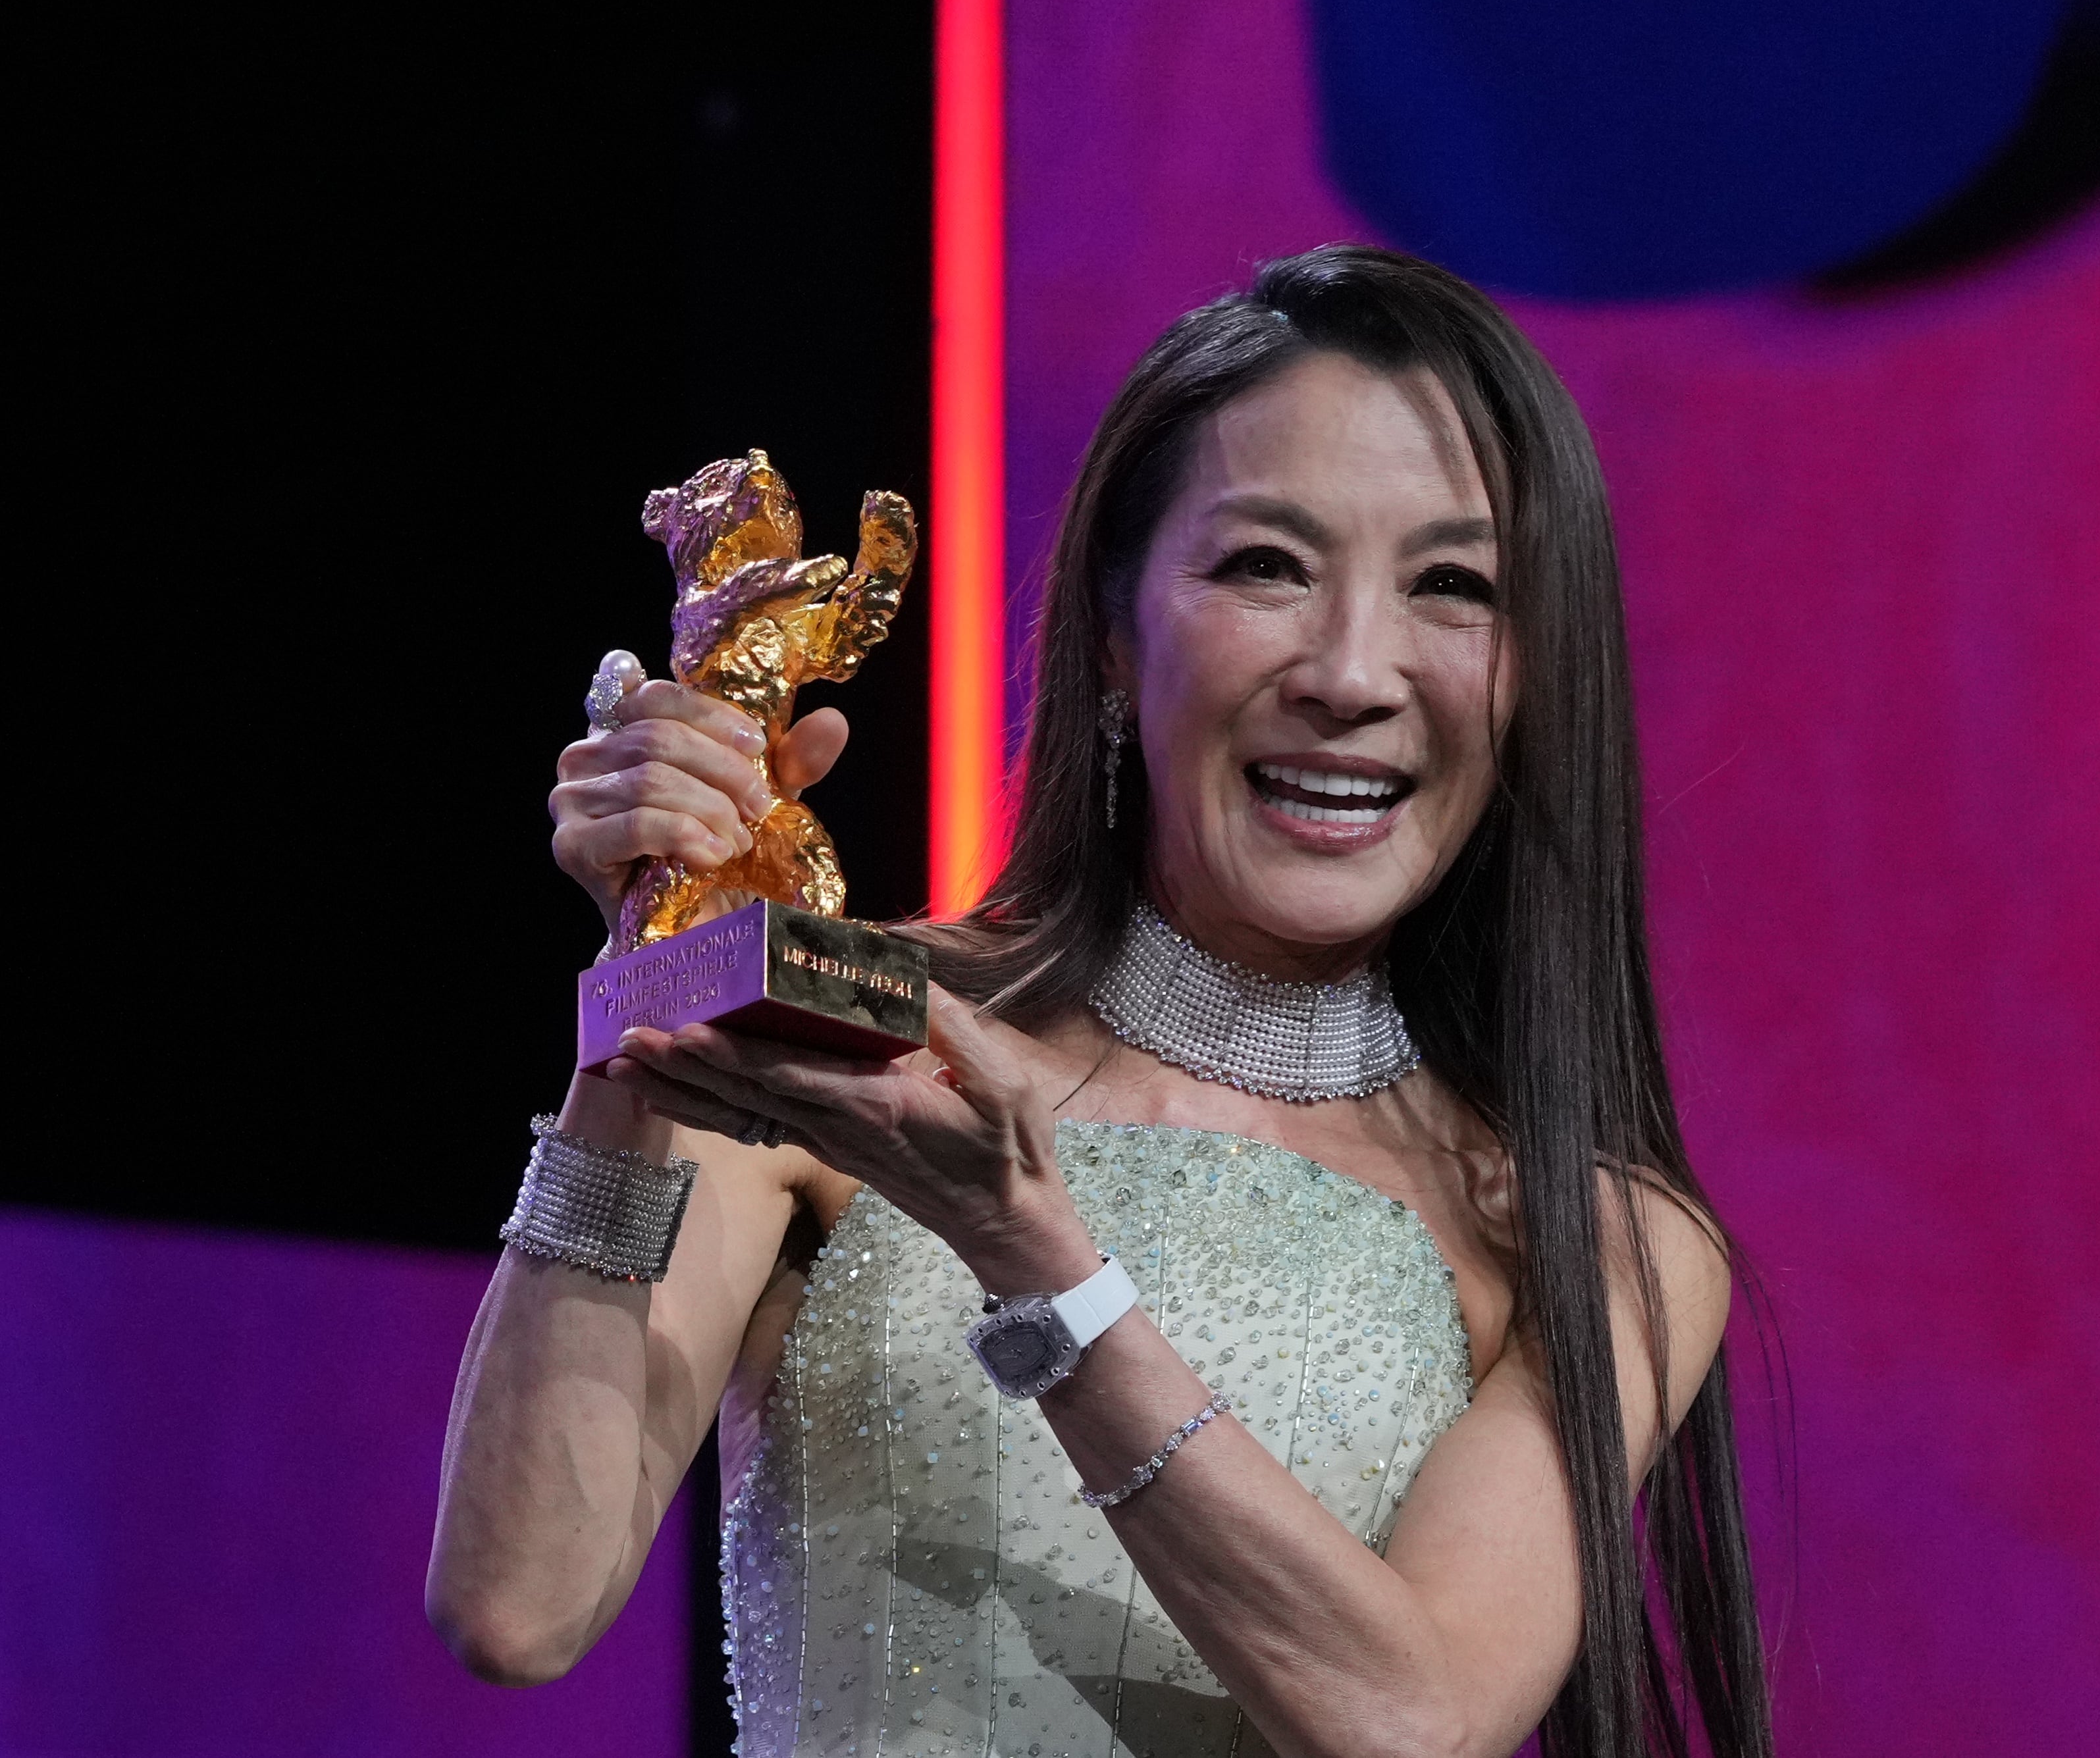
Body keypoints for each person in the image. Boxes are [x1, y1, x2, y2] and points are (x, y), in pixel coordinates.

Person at [428, 246, 1773, 1758]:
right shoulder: (852, 1034)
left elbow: (1413, 1717)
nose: (1352, 670)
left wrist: (1036, 1257)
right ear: (1118, 639)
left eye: (1453, 587)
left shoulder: (1586, 1231)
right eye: (1265, 564)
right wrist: (650, 991)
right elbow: (514, 1603)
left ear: (1535, 680)